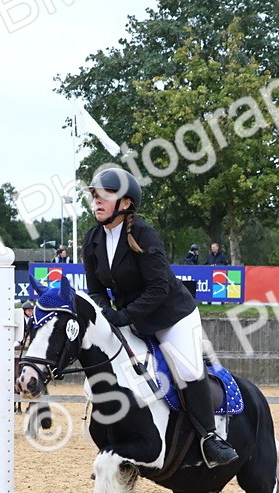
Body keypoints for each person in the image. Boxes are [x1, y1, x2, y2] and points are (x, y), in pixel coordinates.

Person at [82, 167, 238, 468]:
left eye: (105, 195)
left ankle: (209, 438)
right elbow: (96, 290)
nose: (97, 200)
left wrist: (122, 316)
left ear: (125, 203)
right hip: (132, 318)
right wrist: (106, 315)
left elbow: (159, 288)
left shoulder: (143, 234)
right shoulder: (93, 239)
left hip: (171, 315)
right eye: (95, 195)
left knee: (188, 370)